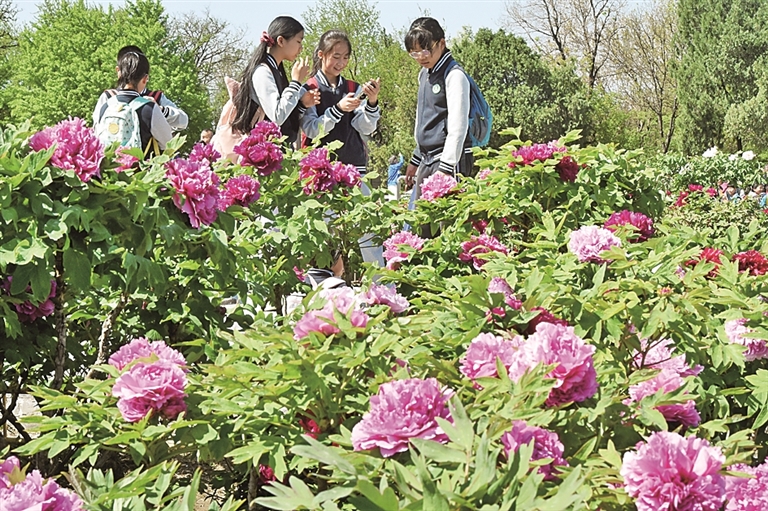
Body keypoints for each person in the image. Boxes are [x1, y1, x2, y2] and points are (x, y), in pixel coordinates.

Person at [300, 29, 384, 267]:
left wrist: (372, 101)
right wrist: (338, 109)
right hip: (322, 172)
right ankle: (326, 290)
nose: (341, 62)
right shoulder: (310, 88)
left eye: (345, 57)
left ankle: (381, 290)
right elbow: (312, 129)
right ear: (321, 55)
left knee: (368, 233)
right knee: (325, 235)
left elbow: (365, 127)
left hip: (355, 167)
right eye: (335, 56)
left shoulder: (352, 87)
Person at [403, 17, 472, 202]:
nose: (421, 57)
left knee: (445, 226)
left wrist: (445, 169)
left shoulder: (454, 75)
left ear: (441, 43)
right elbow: (423, 119)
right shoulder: (424, 74)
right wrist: (415, 159)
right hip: (427, 158)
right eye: (414, 53)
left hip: (448, 161)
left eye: (425, 50)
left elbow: (458, 126)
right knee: (421, 224)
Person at [229, 16, 318, 147]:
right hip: (261, 152)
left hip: (275, 151)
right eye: (299, 41)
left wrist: (302, 105)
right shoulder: (262, 71)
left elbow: (285, 118)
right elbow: (277, 116)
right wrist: (296, 82)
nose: (301, 48)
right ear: (281, 41)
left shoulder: (277, 70)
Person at [94, 50, 173, 157]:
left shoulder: (106, 105)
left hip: (110, 170)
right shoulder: (149, 108)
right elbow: (168, 144)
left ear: (119, 73)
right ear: (145, 79)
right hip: (139, 171)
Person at [92, 45, 189, 132]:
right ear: (118, 70)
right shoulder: (108, 97)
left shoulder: (156, 98)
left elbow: (183, 121)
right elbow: (97, 128)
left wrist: (161, 110)